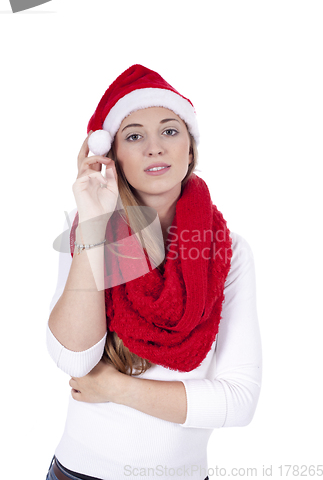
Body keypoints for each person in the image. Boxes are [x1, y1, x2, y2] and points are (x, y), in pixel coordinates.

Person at [46, 64, 262, 480]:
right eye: (133, 136)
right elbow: (73, 357)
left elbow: (238, 402)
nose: (155, 147)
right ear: (111, 157)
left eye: (169, 130)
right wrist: (94, 219)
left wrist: (115, 388)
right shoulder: (88, 226)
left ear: (190, 149)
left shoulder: (230, 251)